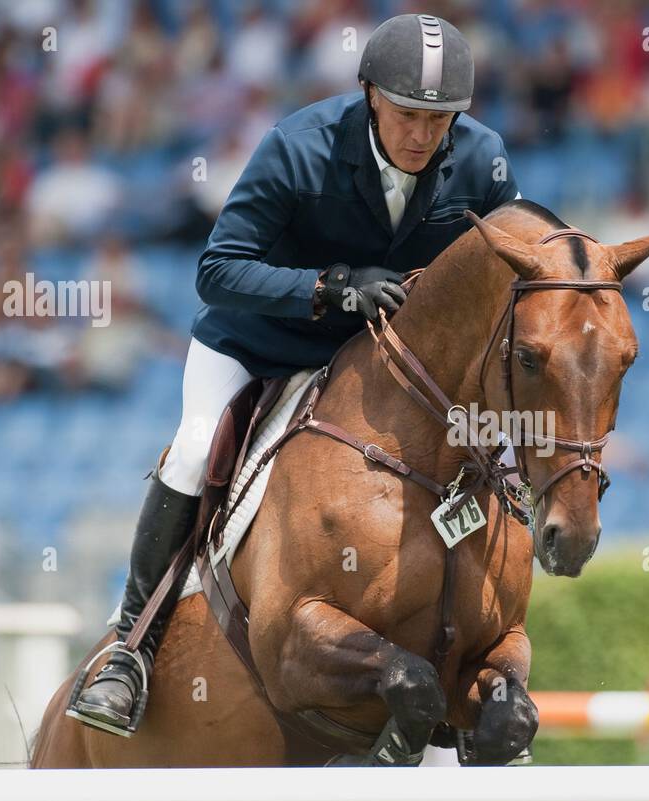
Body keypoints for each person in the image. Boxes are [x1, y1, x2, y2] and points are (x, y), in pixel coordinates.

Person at [69, 14, 521, 737]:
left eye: (440, 120)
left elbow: (510, 273)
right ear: (369, 93)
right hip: (261, 343)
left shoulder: (483, 161)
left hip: (382, 365)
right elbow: (216, 271)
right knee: (192, 448)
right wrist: (330, 287)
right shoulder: (299, 147)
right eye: (408, 114)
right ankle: (131, 650)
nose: (423, 135)